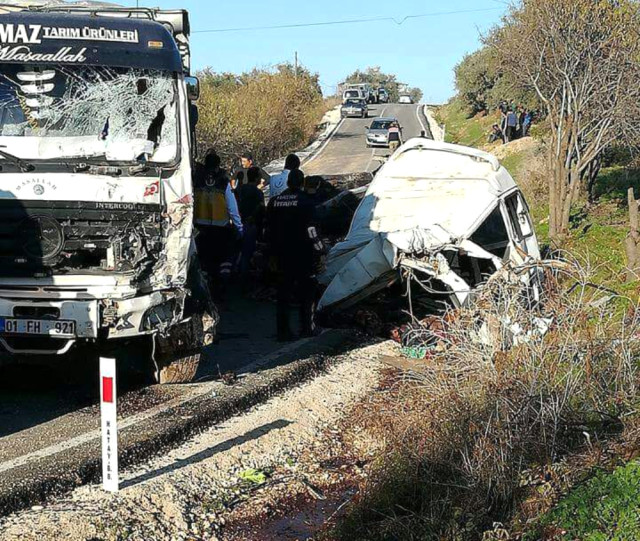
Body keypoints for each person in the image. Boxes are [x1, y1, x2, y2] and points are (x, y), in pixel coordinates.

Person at [266, 169, 323, 341]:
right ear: (301, 183)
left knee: (283, 294)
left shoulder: (274, 201)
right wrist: (320, 249)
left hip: (281, 254)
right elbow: (312, 230)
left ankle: (283, 332)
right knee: (306, 293)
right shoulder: (306, 202)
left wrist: (271, 254)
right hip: (303, 254)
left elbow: (268, 229)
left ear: (288, 182)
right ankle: (307, 327)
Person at [194, 150, 243, 294]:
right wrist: (239, 227)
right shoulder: (223, 182)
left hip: (200, 229)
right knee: (222, 259)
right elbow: (232, 208)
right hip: (220, 228)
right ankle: (221, 287)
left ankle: (203, 289)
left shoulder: (196, 180)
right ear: (218, 165)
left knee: (203, 261)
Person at [237, 166, 265, 284]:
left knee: (240, 252)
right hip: (251, 226)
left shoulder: (241, 189)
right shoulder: (258, 193)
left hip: (239, 224)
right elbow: (261, 208)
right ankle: (246, 282)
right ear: (257, 177)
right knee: (249, 254)